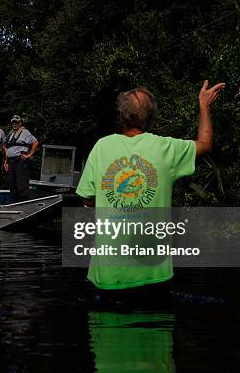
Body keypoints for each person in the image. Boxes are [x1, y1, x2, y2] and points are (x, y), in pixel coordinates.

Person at [76, 80, 225, 299]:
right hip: (153, 274)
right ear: (151, 119)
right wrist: (204, 105)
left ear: (121, 116)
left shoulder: (101, 147)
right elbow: (204, 144)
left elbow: (87, 200)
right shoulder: (165, 148)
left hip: (108, 275)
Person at [4, 115, 39, 202]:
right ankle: (13, 203)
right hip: (11, 161)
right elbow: (6, 147)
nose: (14, 124)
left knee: (21, 184)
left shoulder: (25, 132)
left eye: (16, 122)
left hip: (20, 161)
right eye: (13, 122)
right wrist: (6, 161)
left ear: (20, 123)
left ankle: (23, 203)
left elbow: (35, 142)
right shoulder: (10, 133)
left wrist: (29, 154)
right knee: (12, 184)